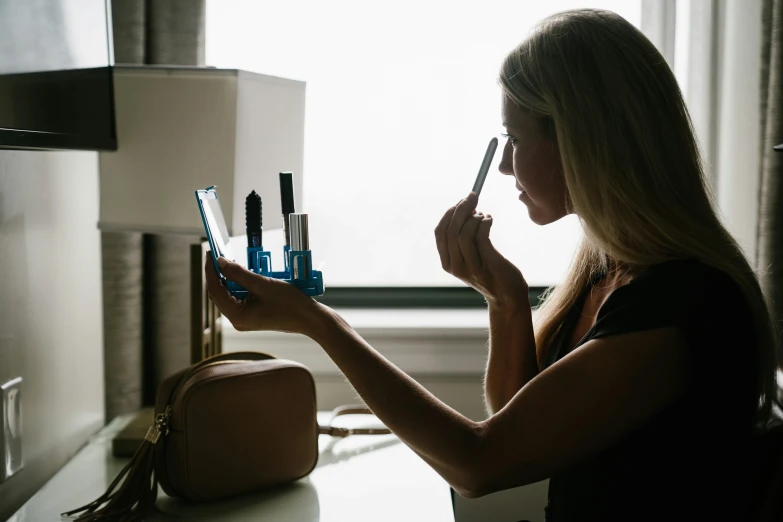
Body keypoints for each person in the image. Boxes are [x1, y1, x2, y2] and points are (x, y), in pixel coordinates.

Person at [206, 8, 781, 522]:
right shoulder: (611, 271)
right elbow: (521, 419)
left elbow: (481, 464)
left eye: (514, 139)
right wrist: (504, 300)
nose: (505, 167)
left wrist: (317, 322)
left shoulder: (681, 305)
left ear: (582, 142)